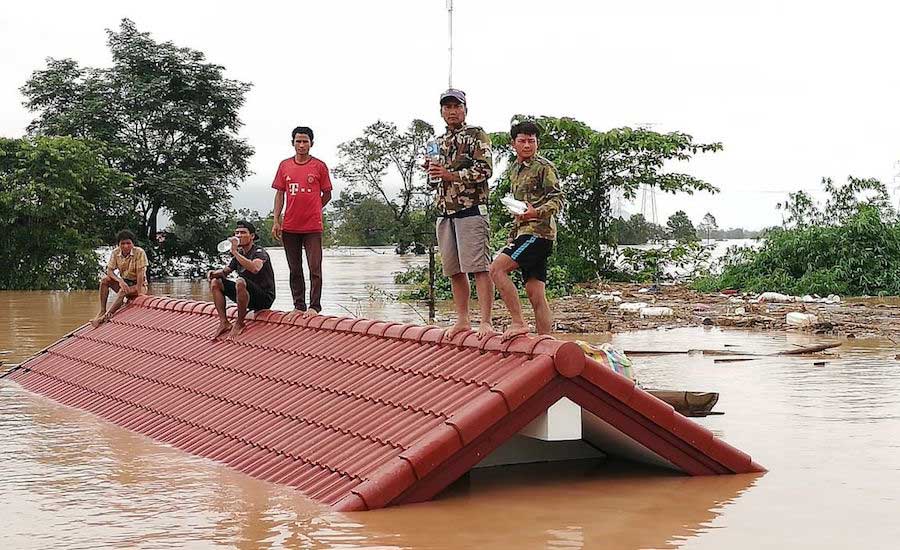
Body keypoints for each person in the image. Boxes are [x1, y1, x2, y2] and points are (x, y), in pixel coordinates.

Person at [426, 88, 495, 339]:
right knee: (454, 270)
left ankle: (486, 321)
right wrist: (432, 172)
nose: (452, 111)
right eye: (447, 107)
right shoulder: (436, 142)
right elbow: (433, 182)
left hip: (471, 209)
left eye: (457, 106)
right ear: (441, 111)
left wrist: (451, 175)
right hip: (445, 212)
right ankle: (463, 320)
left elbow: (485, 170)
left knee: (479, 267)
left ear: (465, 109)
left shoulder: (477, 135)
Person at [489, 121, 563, 340]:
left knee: (496, 270)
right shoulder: (514, 170)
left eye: (532, 140)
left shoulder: (544, 167)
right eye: (523, 140)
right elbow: (519, 207)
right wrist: (514, 232)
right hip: (524, 232)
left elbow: (558, 198)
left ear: (537, 142)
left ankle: (518, 322)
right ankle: (545, 341)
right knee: (535, 292)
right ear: (513, 144)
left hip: (538, 233)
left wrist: (536, 212)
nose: (528, 145)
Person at [271, 126, 332, 317]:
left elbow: (327, 194)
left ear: (311, 144)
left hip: (312, 226)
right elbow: (280, 194)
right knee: (294, 268)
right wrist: (276, 220)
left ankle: (315, 306)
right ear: (293, 143)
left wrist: (315, 209)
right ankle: (299, 306)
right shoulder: (284, 166)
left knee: (315, 267)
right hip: (290, 226)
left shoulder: (319, 166)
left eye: (305, 141)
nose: (302, 145)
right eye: (298, 141)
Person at [207, 221, 276, 338]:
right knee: (216, 282)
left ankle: (240, 323)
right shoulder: (238, 255)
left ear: (252, 236)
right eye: (237, 233)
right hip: (246, 294)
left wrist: (234, 252)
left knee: (240, 281)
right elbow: (225, 272)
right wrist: (212, 273)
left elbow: (255, 268)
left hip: (263, 298)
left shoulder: (259, 252)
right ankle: (224, 322)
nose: (239, 235)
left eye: (243, 233)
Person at [91, 229, 148, 327]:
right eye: (123, 243)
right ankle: (102, 310)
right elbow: (109, 271)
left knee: (123, 291)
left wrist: (139, 293)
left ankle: (106, 316)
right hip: (124, 282)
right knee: (105, 280)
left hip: (138, 285)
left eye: (128, 243)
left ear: (133, 244)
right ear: (119, 244)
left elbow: (140, 274)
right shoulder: (115, 252)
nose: (126, 246)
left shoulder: (139, 252)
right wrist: (120, 280)